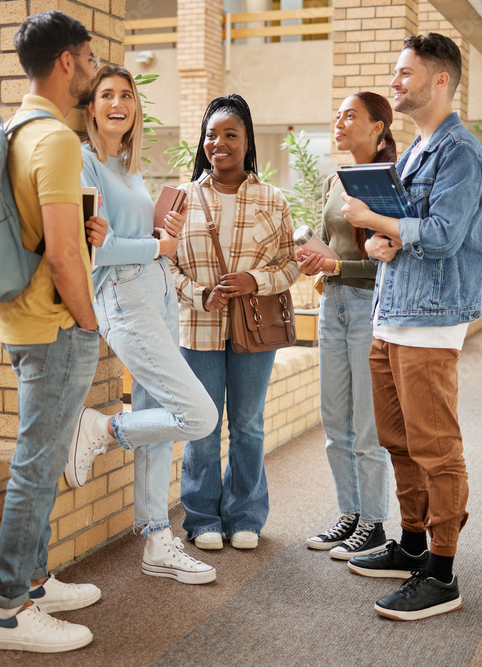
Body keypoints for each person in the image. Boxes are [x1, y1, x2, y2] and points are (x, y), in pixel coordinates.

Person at [341, 33, 482, 621]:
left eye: (405, 73)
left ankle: (443, 572)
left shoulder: (460, 151)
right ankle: (412, 544)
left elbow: (445, 234)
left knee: (435, 447)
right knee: (398, 440)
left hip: (429, 321)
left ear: (440, 81)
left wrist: (374, 219)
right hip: (392, 313)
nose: (395, 82)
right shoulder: (413, 153)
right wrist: (381, 240)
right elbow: (407, 230)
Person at [0, 10, 109, 653]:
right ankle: (9, 613)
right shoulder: (57, 139)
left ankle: (33, 580)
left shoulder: (15, 129)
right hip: (55, 328)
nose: (93, 71)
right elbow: (61, 256)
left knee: (41, 457)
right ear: (68, 62)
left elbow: (44, 230)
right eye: (89, 59)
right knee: (37, 467)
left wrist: (91, 232)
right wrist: (91, 324)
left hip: (21, 320)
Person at [67, 64, 219, 585]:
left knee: (160, 419)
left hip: (155, 293)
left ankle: (157, 540)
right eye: (107, 94)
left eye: (127, 95)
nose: (118, 103)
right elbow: (97, 248)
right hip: (124, 296)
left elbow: (126, 235)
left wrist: (160, 232)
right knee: (199, 415)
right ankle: (103, 428)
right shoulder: (84, 164)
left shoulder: (127, 168)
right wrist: (159, 245)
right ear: (91, 108)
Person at [169, 95, 298, 551]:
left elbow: (290, 267)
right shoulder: (181, 199)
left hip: (254, 329)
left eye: (230, 134)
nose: (218, 143)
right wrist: (200, 294)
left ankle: (244, 514)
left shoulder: (272, 199)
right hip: (197, 328)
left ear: (246, 141)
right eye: (211, 134)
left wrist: (254, 280)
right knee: (202, 425)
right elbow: (164, 265)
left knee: (247, 423)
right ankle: (202, 517)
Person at [297, 92, 396, 560]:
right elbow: (335, 249)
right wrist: (315, 258)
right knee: (335, 422)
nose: (339, 121)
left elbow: (387, 264)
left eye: (350, 115)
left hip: (366, 307)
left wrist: (335, 268)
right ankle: (349, 515)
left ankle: (375, 524)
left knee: (366, 428)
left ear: (378, 127)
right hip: (330, 307)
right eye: (336, 114)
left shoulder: (385, 182)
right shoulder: (335, 181)